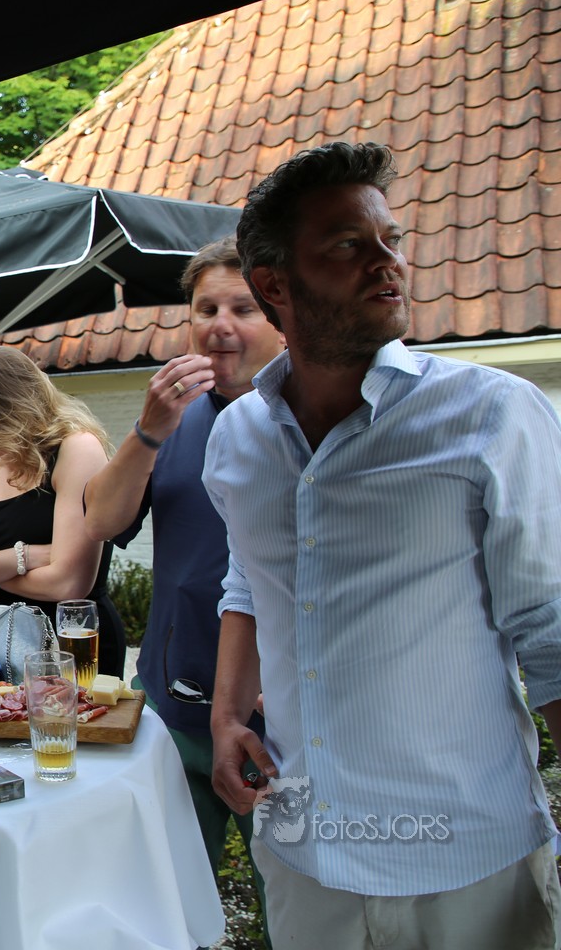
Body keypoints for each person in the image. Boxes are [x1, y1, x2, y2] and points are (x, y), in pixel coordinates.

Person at [205, 141, 561, 948]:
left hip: (469, 862)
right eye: (347, 245)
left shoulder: (492, 414)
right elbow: (249, 579)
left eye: (390, 240)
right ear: (274, 285)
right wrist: (227, 717)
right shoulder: (238, 438)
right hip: (304, 854)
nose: (387, 263)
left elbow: (550, 629)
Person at [82, 236, 283, 933]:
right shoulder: (176, 417)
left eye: (243, 309)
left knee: (293, 906)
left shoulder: (307, 422)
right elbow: (102, 521)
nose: (219, 325)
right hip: (172, 707)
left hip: (277, 722)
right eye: (206, 309)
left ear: (282, 317)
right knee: (167, 906)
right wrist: (147, 430)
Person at [0, 346, 122, 674]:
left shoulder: (76, 449)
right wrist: (26, 557)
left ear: (8, 412)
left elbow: (67, 584)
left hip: (73, 644)